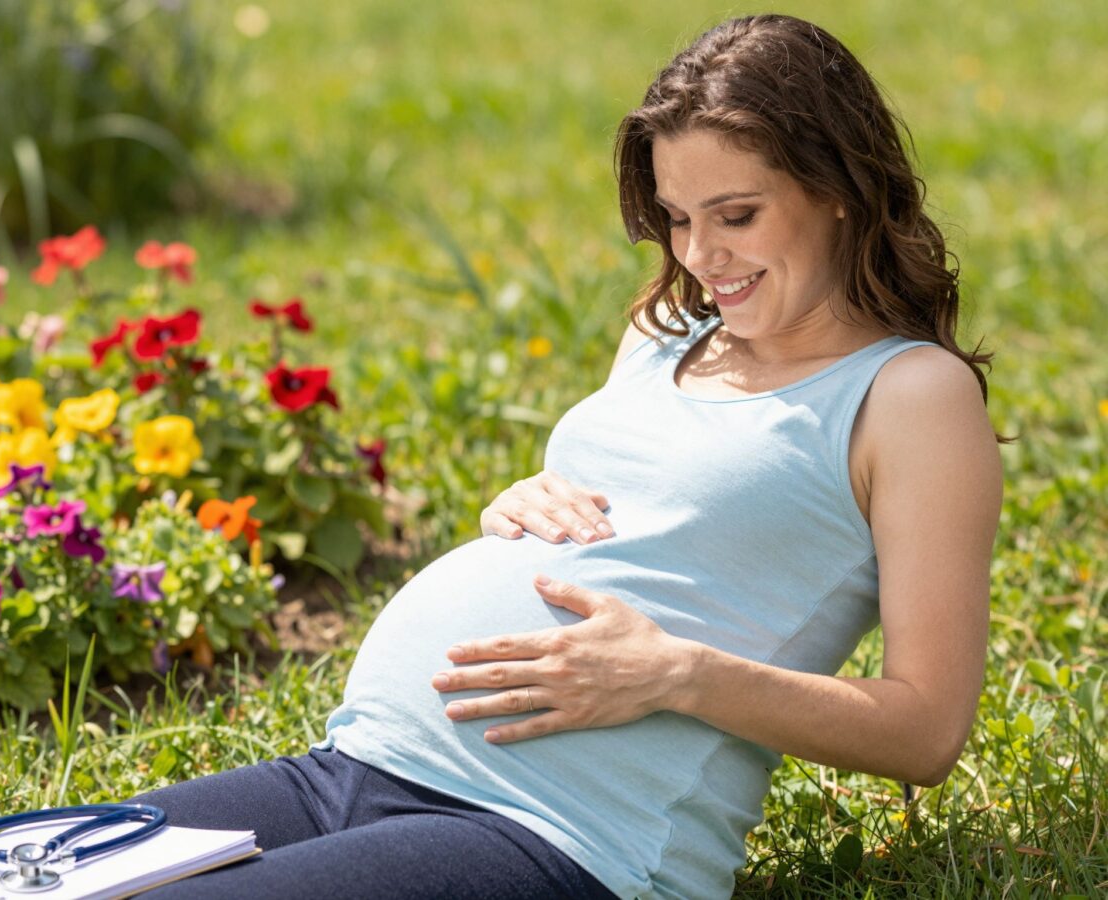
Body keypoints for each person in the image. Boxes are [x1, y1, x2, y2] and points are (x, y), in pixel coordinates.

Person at [134, 14, 1003, 899]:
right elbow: (649, 518)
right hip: (348, 768)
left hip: (557, 834)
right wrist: (520, 514)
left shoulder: (910, 397)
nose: (701, 257)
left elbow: (926, 730)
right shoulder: (664, 333)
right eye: (675, 218)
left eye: (737, 215)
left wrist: (677, 672)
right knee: (11, 873)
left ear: (838, 189)